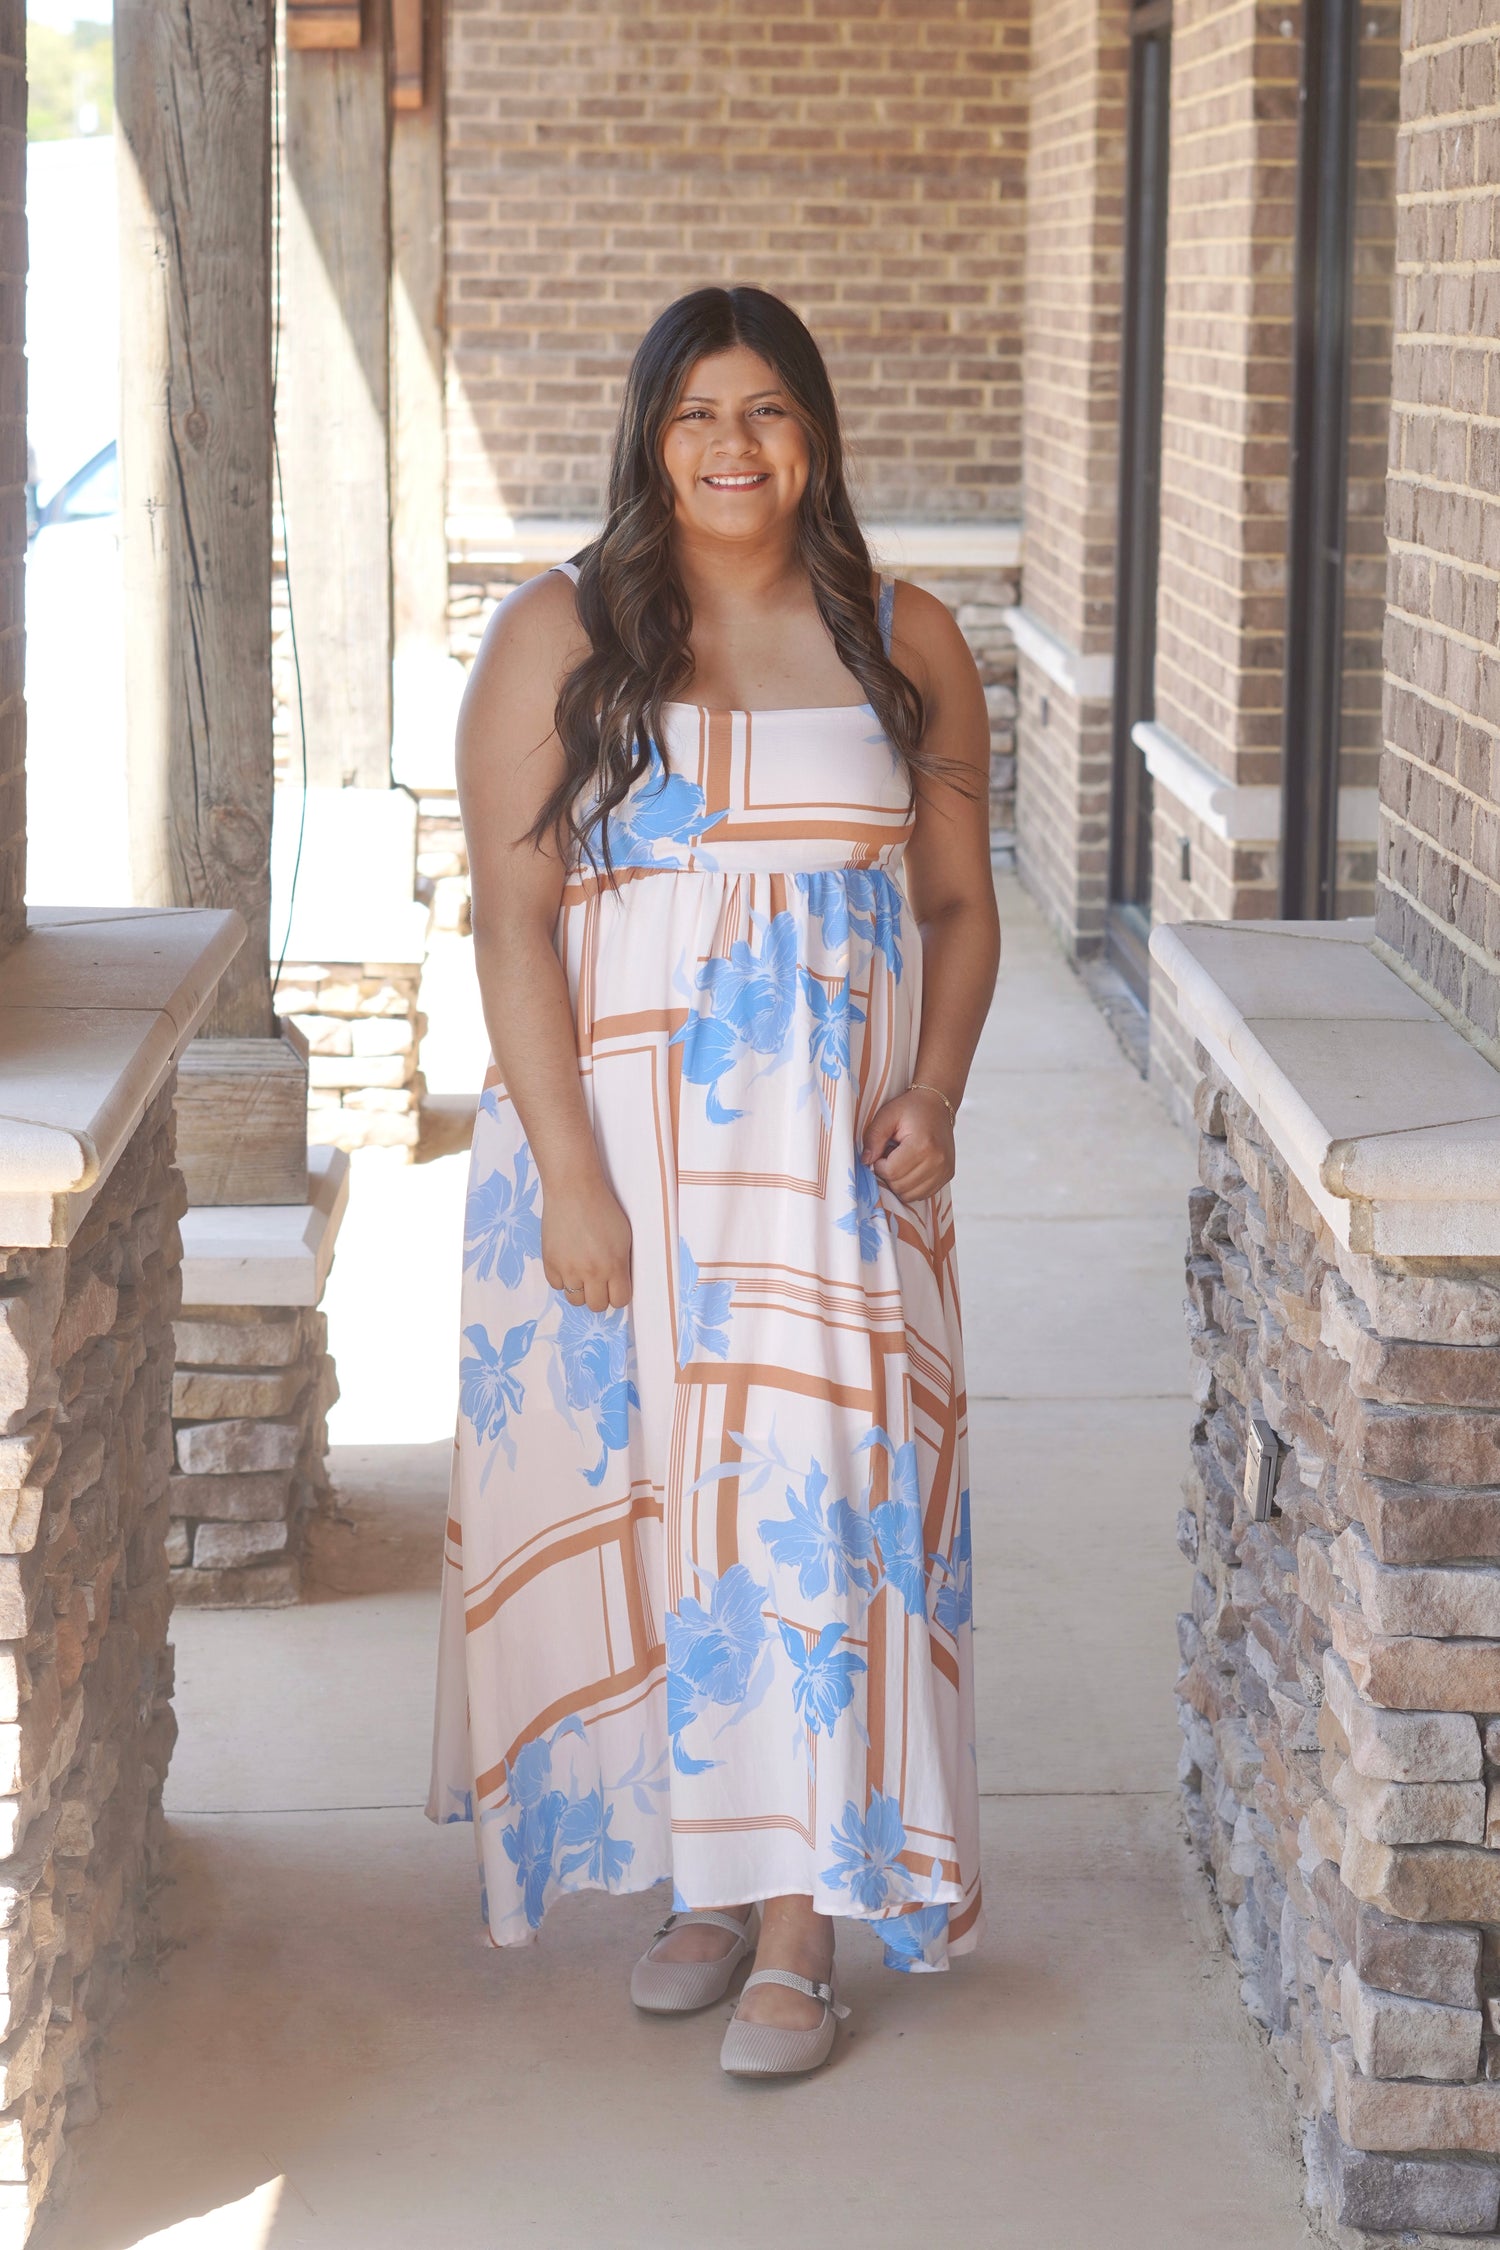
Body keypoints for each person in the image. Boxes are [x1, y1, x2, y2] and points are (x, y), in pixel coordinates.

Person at [428, 285, 1000, 2079]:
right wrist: (573, 1181)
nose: (732, 446)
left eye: (765, 410)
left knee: (817, 1516)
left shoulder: (903, 633)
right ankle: (698, 1874)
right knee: (668, 1511)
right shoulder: (557, 634)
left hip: (832, 1176)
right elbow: (513, 926)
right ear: (650, 434)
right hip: (618, 1176)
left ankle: (796, 1932)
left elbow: (961, 908)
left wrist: (936, 1086)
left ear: (813, 430)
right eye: (697, 414)